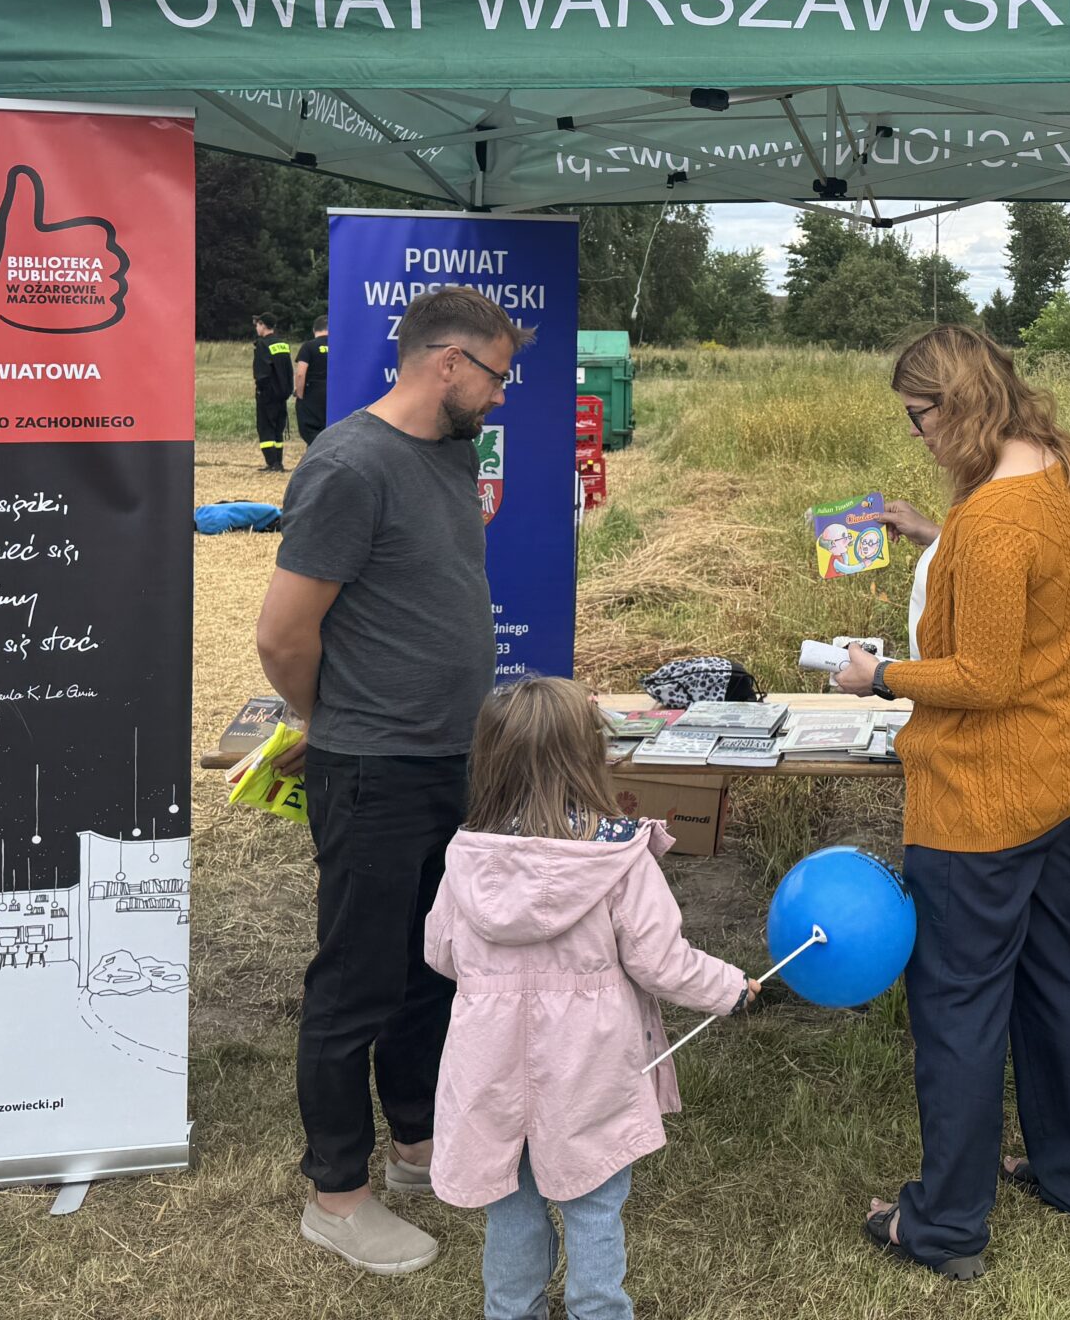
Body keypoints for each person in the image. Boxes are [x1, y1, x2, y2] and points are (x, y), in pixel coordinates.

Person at [835, 325, 1070, 1280]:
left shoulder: (997, 522)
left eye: (918, 416)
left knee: (959, 1005)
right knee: (1056, 972)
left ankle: (946, 1224)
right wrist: (938, 535)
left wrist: (879, 676)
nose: (916, 434)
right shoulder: (1069, 473)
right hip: (1064, 773)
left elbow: (984, 675)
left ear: (957, 406)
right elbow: (1031, 610)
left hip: (985, 798)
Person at [255, 285, 530, 1273]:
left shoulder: (449, 453)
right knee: (355, 985)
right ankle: (336, 1196)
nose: (502, 394)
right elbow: (283, 635)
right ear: (448, 362)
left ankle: (418, 1144)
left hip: (448, 759)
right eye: (497, 374)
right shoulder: (348, 465)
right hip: (373, 768)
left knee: (431, 969)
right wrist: (332, 720)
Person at [427, 677, 758, 1320]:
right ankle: (598, 1310)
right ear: (588, 756)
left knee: (512, 1205)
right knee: (595, 1204)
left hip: (488, 1065)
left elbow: (440, 951)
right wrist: (729, 988)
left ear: (489, 759)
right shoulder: (619, 858)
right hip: (590, 1066)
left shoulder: (468, 856)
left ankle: (511, 1310)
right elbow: (662, 962)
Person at [251, 312, 294, 471]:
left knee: (265, 427)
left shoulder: (262, 345)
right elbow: (289, 370)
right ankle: (278, 461)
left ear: (262, 325)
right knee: (278, 429)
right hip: (282, 394)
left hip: (267, 394)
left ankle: (271, 462)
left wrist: (261, 390)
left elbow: (261, 373)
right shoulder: (283, 345)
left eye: (257, 325)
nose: (256, 328)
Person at [295, 311, 330, 448]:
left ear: (314, 329)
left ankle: (316, 452)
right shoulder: (339, 346)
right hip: (334, 392)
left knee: (311, 430)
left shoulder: (309, 346)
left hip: (313, 393)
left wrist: (300, 395)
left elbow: (300, 374)